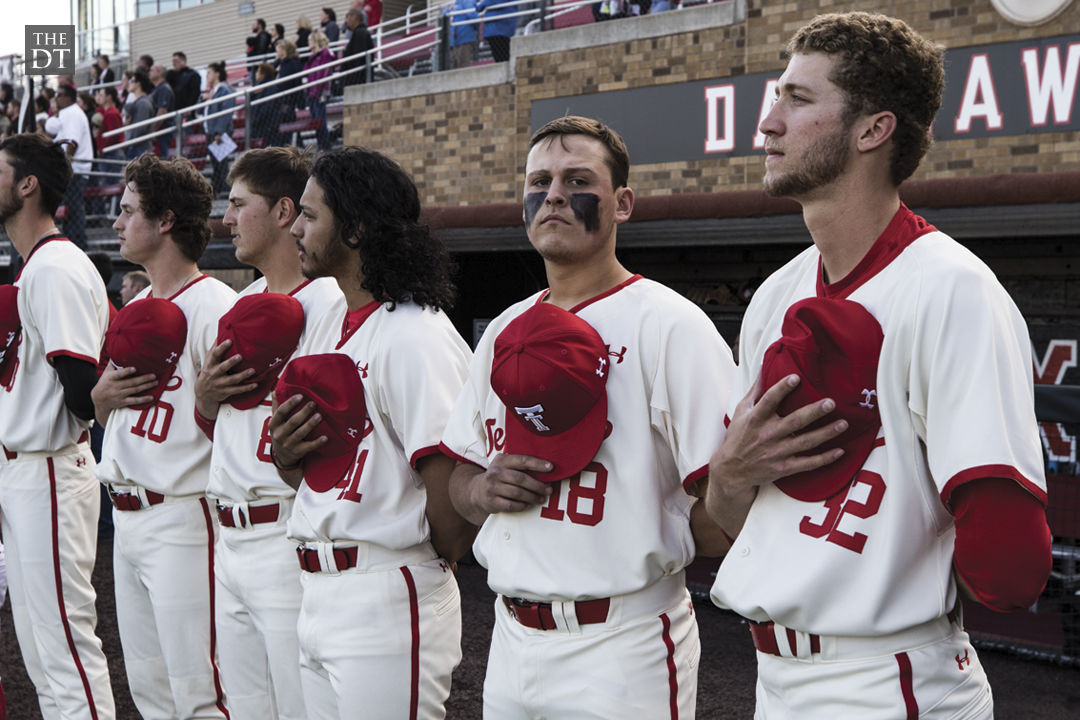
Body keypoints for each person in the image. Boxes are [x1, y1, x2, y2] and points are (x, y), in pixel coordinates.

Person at [705, 12, 1053, 719]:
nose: (768, 123)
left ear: (873, 130)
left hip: (889, 680)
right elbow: (734, 523)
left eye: (798, 100)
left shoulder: (952, 288)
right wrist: (729, 475)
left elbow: (1011, 569)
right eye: (777, 96)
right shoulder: (777, 294)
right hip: (773, 676)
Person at [440, 115, 734, 717]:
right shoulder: (503, 330)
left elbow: (729, 507)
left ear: (622, 203)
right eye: (539, 181)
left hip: (621, 639)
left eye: (577, 179)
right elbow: (458, 481)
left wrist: (654, 531)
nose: (552, 194)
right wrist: (480, 489)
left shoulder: (670, 325)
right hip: (511, 635)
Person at [268, 147, 472, 719]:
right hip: (318, 587)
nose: (296, 229)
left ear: (355, 229)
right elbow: (307, 472)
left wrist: (412, 566)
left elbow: (451, 514)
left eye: (310, 216)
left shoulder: (414, 335)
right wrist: (286, 454)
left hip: (385, 589)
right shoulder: (330, 319)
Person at [193, 146, 344, 720]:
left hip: (286, 531)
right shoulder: (243, 301)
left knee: (299, 707)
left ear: (285, 211)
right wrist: (204, 401)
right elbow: (221, 427)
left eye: (237, 204)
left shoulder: (328, 302)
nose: (226, 218)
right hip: (227, 533)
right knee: (247, 707)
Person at [92, 153, 235, 719]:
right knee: (150, 690)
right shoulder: (138, 305)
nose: (118, 222)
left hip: (184, 512)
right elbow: (119, 417)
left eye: (128, 211)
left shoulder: (218, 307)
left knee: (199, 688)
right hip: (126, 516)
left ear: (166, 220)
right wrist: (99, 405)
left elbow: (235, 426)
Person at [0, 132, 117, 720]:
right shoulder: (37, 266)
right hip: (25, 473)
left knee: (66, 655)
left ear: (28, 185)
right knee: (46, 659)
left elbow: (80, 394)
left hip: (48, 471)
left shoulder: (55, 268)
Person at [51, 83, 93, 249]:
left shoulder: (72, 113)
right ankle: (73, 243)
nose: (56, 98)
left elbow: (71, 143)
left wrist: (64, 168)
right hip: (74, 169)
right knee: (70, 210)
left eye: (59, 94)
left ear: (68, 97)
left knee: (74, 210)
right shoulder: (68, 113)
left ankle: (79, 244)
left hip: (75, 170)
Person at [204, 61, 235, 196]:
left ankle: (224, 188)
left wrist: (219, 132)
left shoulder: (224, 90)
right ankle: (219, 187)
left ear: (217, 73)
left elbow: (225, 112)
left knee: (221, 162)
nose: (207, 76)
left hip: (218, 132)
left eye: (209, 73)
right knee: (216, 162)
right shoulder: (212, 91)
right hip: (210, 131)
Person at [302, 32, 335, 151]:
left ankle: (325, 146)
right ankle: (321, 145)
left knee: (321, 121)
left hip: (320, 93)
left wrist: (317, 91)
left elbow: (323, 74)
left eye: (310, 40)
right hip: (311, 92)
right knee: (316, 122)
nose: (308, 43)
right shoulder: (312, 56)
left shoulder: (325, 54)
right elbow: (305, 70)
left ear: (315, 41)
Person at [122, 70, 155, 160]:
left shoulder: (143, 103)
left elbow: (140, 128)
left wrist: (130, 142)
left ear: (138, 84)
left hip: (139, 149)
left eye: (132, 81)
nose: (129, 84)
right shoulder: (139, 102)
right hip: (136, 148)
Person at [340, 9, 374, 87]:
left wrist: (346, 52)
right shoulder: (359, 33)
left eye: (347, 18)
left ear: (354, 18)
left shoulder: (360, 33)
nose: (346, 21)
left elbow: (358, 57)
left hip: (357, 80)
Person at [148, 65, 176, 156]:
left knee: (161, 162)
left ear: (160, 73)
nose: (149, 72)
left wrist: (153, 131)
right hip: (158, 133)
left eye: (152, 70)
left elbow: (162, 112)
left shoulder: (164, 89)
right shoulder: (156, 89)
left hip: (162, 133)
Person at [446, 0, 478, 70]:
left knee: (462, 66)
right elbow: (444, 16)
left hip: (463, 38)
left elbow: (472, 15)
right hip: (455, 39)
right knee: (456, 66)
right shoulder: (455, 3)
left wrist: (476, 27)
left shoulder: (466, 2)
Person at [247, 18, 274, 83]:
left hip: (257, 67)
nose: (252, 26)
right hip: (254, 67)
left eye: (254, 24)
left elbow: (261, 51)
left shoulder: (263, 36)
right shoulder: (259, 37)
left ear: (260, 25)